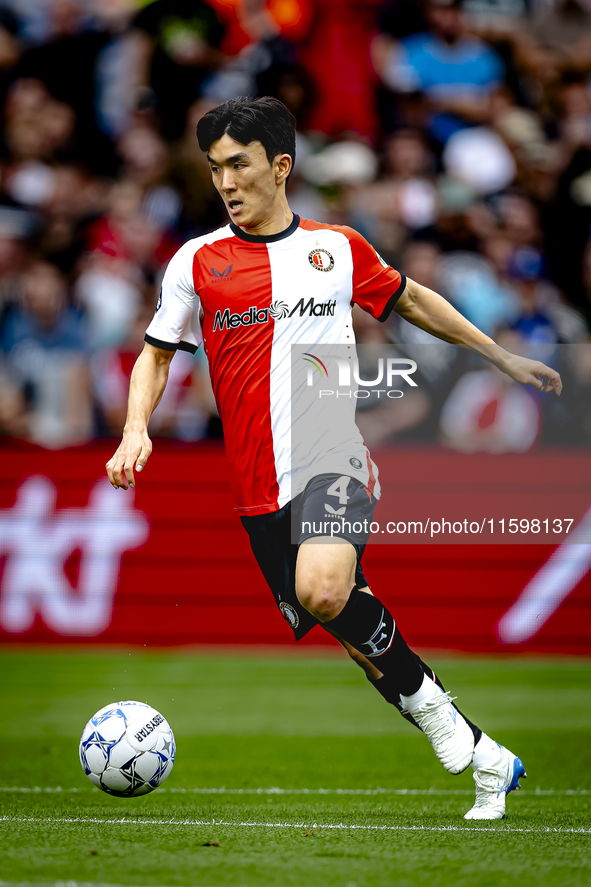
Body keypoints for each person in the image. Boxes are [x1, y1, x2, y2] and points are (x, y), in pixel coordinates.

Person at [106, 96, 562, 820]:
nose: (225, 181)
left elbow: (412, 301)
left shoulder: (335, 248)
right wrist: (137, 428)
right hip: (258, 485)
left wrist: (499, 354)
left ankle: (445, 722)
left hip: (334, 456)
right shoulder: (196, 262)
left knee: (323, 590)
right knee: (352, 629)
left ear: (279, 167)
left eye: (239, 164)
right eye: (215, 166)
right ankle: (484, 753)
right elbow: (155, 357)